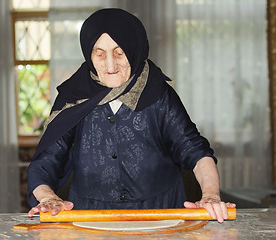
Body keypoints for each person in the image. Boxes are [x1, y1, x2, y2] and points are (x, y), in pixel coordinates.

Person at [27, 8, 236, 223]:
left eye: (119, 53)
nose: (110, 65)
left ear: (134, 49)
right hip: (92, 216)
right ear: (89, 54)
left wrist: (211, 195)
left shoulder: (159, 93)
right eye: (99, 54)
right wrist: (48, 197)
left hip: (160, 213)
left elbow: (194, 149)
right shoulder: (73, 96)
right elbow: (47, 160)